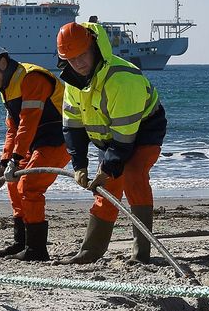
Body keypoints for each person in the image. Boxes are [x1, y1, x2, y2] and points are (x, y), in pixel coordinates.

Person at [56, 21, 167, 264]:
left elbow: (125, 139)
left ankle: (141, 254)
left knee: (133, 175)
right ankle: (90, 251)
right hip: (110, 138)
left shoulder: (123, 79)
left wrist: (107, 168)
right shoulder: (73, 82)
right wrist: (79, 165)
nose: (78, 63)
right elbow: (72, 126)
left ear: (94, 47)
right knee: (106, 189)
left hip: (143, 131)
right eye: (71, 58)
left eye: (82, 54)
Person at [0, 43, 71, 261]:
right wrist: (4, 163)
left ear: (2, 63)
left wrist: (15, 159)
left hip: (59, 139)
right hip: (37, 141)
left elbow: (29, 121)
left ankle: (37, 250)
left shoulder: (32, 78)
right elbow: (13, 129)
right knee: (13, 183)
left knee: (30, 185)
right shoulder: (8, 88)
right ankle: (22, 242)